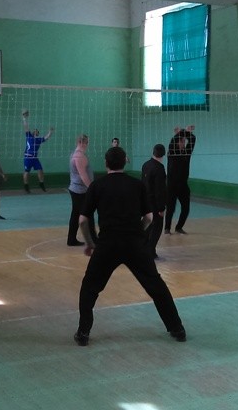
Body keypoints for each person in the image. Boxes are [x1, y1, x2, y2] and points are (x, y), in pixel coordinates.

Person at [73, 146, 186, 346]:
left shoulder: (97, 186)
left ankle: (83, 332)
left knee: (90, 288)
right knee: (156, 286)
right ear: (125, 161)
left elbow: (83, 220)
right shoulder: (137, 185)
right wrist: (138, 234)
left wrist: (90, 244)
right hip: (135, 245)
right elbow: (149, 217)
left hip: (107, 244)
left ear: (106, 163)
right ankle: (177, 328)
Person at [165, 125, 196, 235]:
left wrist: (186, 132)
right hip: (171, 186)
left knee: (186, 208)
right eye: (181, 141)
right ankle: (167, 228)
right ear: (177, 143)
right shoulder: (172, 152)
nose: (183, 143)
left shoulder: (187, 152)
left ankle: (179, 227)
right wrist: (182, 132)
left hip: (183, 185)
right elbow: (172, 141)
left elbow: (193, 139)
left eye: (184, 141)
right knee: (170, 208)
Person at [67, 134, 96, 246]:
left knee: (76, 214)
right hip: (80, 191)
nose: (87, 145)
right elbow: (83, 175)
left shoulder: (76, 154)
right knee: (88, 214)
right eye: (87, 142)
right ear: (82, 142)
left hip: (77, 189)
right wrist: (92, 189)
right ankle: (93, 240)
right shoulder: (79, 156)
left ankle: (71, 239)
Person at [142, 143, 167, 259]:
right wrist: (161, 208)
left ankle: (143, 248)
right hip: (154, 203)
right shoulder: (159, 168)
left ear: (153, 152)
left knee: (148, 226)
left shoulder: (145, 165)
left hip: (145, 202)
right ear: (163, 154)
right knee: (157, 227)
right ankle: (150, 251)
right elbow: (159, 190)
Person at [22, 110, 53, 194]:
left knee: (40, 170)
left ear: (38, 133)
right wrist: (24, 118)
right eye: (35, 130)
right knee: (27, 172)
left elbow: (46, 137)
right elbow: (26, 127)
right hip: (28, 157)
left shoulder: (39, 140)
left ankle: (41, 183)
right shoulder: (29, 136)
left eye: (37, 131)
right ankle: (26, 186)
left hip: (35, 158)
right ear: (33, 132)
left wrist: (50, 132)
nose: (36, 131)